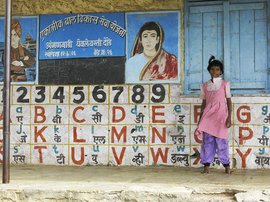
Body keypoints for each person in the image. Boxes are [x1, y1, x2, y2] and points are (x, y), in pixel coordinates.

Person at [195, 56, 232, 174]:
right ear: (209, 70)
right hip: (208, 116)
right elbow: (204, 102)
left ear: (221, 71)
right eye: (212, 69)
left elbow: (229, 101)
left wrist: (229, 117)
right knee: (207, 141)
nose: (215, 71)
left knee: (222, 141)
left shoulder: (225, 84)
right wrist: (200, 118)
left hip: (221, 116)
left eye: (217, 69)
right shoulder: (204, 86)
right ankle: (206, 166)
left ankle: (226, 166)